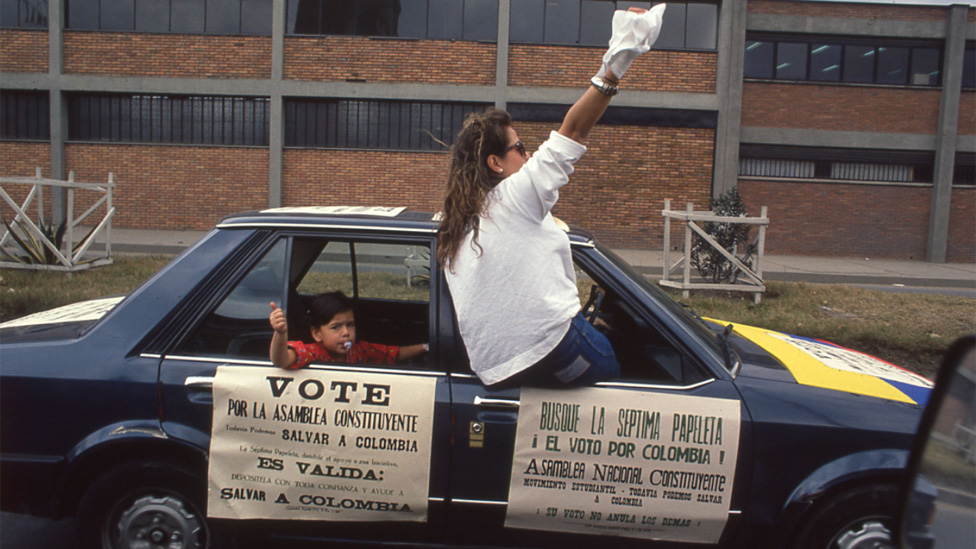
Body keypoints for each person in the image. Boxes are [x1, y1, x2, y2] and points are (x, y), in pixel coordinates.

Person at [436, 6, 664, 388]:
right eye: (520, 148)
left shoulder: (457, 221)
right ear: (495, 162)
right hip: (552, 350)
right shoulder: (516, 194)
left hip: (494, 371)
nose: (528, 156)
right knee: (628, 369)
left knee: (593, 331)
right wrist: (617, 63)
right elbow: (572, 130)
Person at [269, 291, 428, 369]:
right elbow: (280, 360)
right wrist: (280, 333)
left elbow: (393, 353)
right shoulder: (312, 353)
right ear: (317, 333)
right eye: (336, 327)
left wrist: (424, 347)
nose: (346, 332)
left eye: (350, 325)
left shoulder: (359, 351)